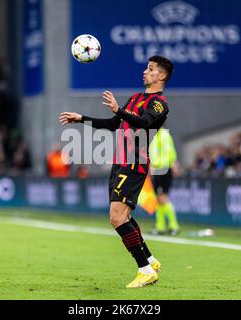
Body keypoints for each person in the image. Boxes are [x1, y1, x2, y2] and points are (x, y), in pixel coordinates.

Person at [59, 55, 174, 288]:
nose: (145, 71)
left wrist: (119, 109)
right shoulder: (136, 98)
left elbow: (145, 124)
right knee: (124, 216)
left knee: (117, 217)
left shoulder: (159, 103)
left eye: (150, 69)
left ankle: (145, 270)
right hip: (120, 161)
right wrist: (81, 119)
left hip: (134, 162)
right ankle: (150, 261)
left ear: (161, 76)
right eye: (146, 67)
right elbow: (114, 125)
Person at [149, 126, 180, 236]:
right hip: (157, 170)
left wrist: (157, 165)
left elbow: (170, 154)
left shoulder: (163, 135)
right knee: (158, 199)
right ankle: (160, 226)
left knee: (163, 198)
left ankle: (174, 226)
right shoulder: (154, 135)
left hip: (163, 169)